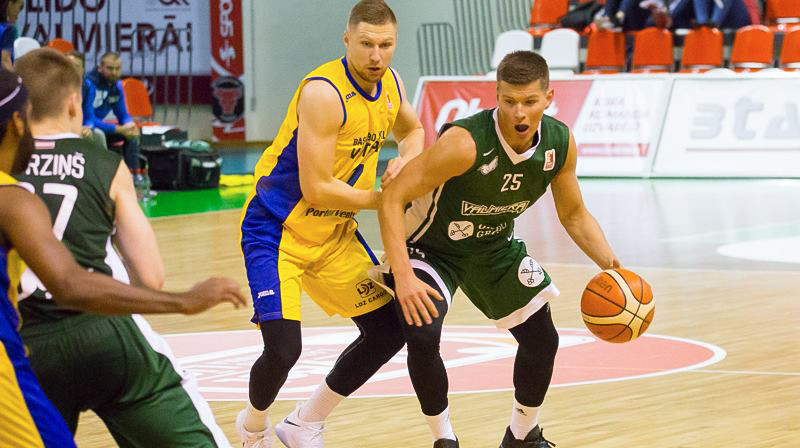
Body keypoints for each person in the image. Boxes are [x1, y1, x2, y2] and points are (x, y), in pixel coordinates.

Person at [372, 50, 621, 448]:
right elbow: (391, 199)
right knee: (422, 334)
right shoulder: (465, 143)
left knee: (543, 340)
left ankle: (522, 435)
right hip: (433, 246)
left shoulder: (559, 142)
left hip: (492, 245)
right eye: (508, 101)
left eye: (529, 102)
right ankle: (444, 439)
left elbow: (574, 215)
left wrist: (611, 265)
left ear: (549, 98)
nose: (519, 113)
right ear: (497, 95)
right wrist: (401, 274)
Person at [0, 69, 246, 446]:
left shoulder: (13, 182)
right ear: (71, 103)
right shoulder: (97, 164)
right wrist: (183, 301)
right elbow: (143, 277)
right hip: (100, 329)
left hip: (29, 345)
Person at [237, 1, 426, 446]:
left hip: (334, 232)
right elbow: (317, 187)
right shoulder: (323, 92)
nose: (376, 56)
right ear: (347, 41)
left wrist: (406, 160)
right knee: (284, 349)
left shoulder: (393, 85)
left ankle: (305, 422)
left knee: (389, 331)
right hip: (276, 230)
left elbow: (414, 132)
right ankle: (252, 427)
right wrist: (386, 199)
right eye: (366, 44)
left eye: (385, 45)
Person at [84, 51, 141, 176]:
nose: (114, 72)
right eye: (110, 68)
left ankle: (134, 177)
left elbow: (123, 115)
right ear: (100, 68)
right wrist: (117, 129)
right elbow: (88, 118)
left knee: (132, 135)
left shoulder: (117, 86)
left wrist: (129, 125)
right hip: (88, 128)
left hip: (104, 128)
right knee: (99, 135)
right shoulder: (88, 84)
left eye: (117, 69)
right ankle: (103, 178)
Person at [0, 0, 22, 70]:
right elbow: (6, 61)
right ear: (9, 4)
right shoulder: (6, 31)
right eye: (20, 7)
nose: (19, 12)